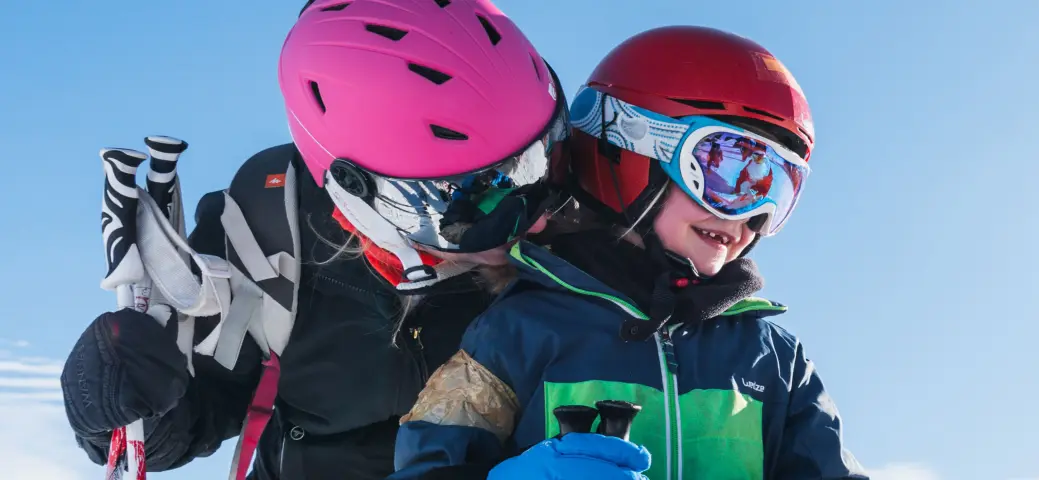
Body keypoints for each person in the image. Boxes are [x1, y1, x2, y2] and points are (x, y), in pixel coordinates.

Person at [58, 1, 570, 478]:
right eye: (465, 199)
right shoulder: (265, 232)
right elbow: (203, 409)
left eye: (541, 161)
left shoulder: (578, 221)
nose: (534, 217)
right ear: (361, 194)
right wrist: (117, 405)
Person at [389, 26, 866, 480]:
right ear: (629, 149)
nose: (751, 214)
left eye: (776, 188)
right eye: (728, 170)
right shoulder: (520, 331)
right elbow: (429, 465)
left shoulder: (774, 359)